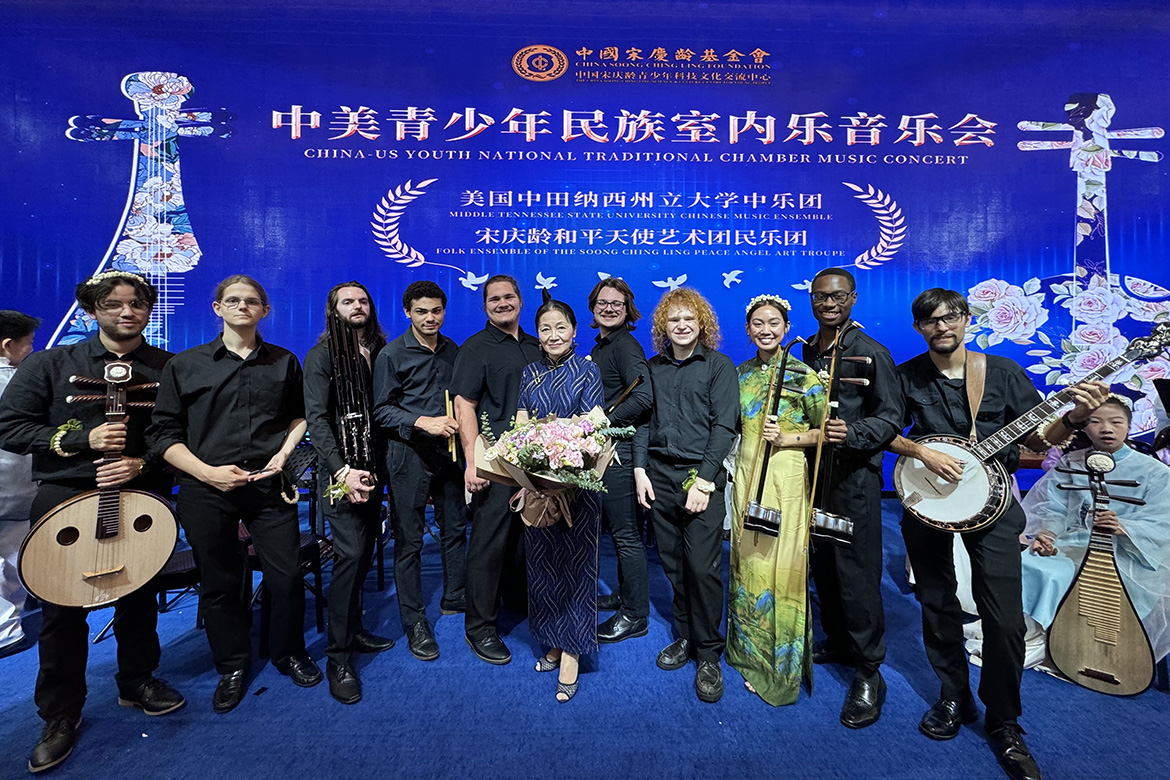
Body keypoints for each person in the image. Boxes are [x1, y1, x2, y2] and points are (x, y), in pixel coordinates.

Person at [890, 287, 1107, 780]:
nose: (942, 327)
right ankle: (953, 696)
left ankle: (1004, 719)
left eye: (950, 318)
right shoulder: (906, 377)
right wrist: (921, 452)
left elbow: (1037, 439)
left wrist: (1073, 416)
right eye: (930, 321)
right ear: (919, 328)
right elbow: (884, 429)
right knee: (937, 602)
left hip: (993, 509)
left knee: (1004, 618)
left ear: (966, 320)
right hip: (928, 506)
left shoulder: (1002, 372)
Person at [0, 273, 185, 773]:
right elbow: (9, 427)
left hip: (141, 495)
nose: (127, 313)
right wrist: (82, 440)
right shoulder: (52, 364)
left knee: (139, 594)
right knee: (62, 608)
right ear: (91, 310)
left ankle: (137, 680)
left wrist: (142, 463)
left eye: (137, 304)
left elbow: (180, 433)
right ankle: (60, 713)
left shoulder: (168, 367)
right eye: (114, 305)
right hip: (67, 497)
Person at [150, 275, 316, 715]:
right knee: (221, 584)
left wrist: (283, 454)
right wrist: (206, 472)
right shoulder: (184, 365)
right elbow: (163, 434)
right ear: (217, 308)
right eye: (234, 300)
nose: (243, 307)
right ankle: (234, 666)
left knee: (286, 577)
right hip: (206, 489)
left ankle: (289, 652)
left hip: (268, 486)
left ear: (265, 310)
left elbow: (299, 418)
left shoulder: (284, 362)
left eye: (253, 301)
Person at [800, 267, 903, 729]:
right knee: (822, 562)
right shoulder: (806, 349)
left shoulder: (871, 352)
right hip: (814, 477)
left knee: (857, 572)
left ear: (853, 299)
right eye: (820, 297)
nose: (828, 304)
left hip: (854, 481)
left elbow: (892, 418)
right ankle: (839, 641)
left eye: (837, 297)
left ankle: (869, 671)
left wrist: (855, 432)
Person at [634, 287, 739, 703]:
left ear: (702, 324)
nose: (681, 325)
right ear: (663, 326)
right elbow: (642, 421)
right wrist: (640, 469)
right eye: (673, 319)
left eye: (689, 319)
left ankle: (709, 653)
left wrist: (705, 481)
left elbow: (723, 427)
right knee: (675, 567)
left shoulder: (718, 367)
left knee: (702, 569)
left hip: (701, 479)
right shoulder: (652, 367)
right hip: (658, 476)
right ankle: (684, 637)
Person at [1020, 395, 1170, 666]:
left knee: (1058, 573)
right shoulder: (1071, 462)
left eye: (1116, 422)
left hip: (1126, 553)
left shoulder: (1156, 472)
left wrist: (1124, 527)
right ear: (1083, 427)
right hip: (1072, 541)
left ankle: (1049, 642)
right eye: (1095, 422)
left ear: (1129, 425)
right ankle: (1025, 631)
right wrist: (1048, 535)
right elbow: (1054, 506)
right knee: (1029, 561)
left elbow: (1163, 521)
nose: (1106, 429)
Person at [728, 295, 826, 706]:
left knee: (780, 567)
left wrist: (789, 438)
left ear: (786, 327)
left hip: (785, 478)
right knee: (746, 559)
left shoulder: (806, 376)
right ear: (748, 330)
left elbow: (827, 433)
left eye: (773, 323)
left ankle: (777, 667)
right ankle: (745, 652)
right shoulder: (739, 374)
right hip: (748, 474)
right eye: (757, 323)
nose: (766, 329)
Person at [303, 281, 395, 705]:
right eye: (347, 301)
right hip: (341, 472)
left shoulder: (380, 351)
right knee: (351, 556)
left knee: (364, 555)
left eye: (363, 299)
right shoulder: (322, 356)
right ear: (333, 309)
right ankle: (338, 658)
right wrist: (342, 470)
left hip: (375, 470)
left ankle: (353, 630)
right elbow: (317, 419)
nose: (357, 306)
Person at [373, 280, 467, 663]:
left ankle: (454, 597)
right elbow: (381, 410)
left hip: (449, 455)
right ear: (407, 312)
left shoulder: (454, 350)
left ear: (444, 311)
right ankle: (415, 621)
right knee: (409, 541)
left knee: (456, 529)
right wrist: (422, 421)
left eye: (436, 311)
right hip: (409, 454)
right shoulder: (392, 354)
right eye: (422, 311)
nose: (430, 318)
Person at [451, 275, 543, 665]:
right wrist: (473, 462)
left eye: (509, 297)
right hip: (496, 464)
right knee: (488, 546)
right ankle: (480, 628)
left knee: (526, 543)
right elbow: (464, 404)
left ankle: (517, 601)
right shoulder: (476, 347)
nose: (502, 303)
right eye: (494, 299)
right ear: (485, 306)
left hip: (537, 465)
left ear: (520, 302)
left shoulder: (539, 345)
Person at [518, 292, 605, 702]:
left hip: (578, 488)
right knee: (542, 566)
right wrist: (522, 456)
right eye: (545, 328)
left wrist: (555, 441)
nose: (553, 335)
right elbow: (521, 423)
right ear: (537, 334)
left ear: (574, 332)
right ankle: (552, 638)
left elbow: (587, 427)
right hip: (537, 487)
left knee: (576, 567)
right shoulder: (529, 373)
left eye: (561, 328)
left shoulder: (588, 372)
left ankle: (572, 651)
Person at [587, 278, 653, 644]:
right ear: (593, 307)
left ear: (628, 309)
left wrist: (605, 422)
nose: (609, 308)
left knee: (627, 536)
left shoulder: (625, 346)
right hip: (606, 453)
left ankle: (635, 615)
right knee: (618, 535)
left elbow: (644, 397)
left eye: (617, 303)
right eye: (602, 302)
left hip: (619, 455)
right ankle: (624, 597)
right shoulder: (603, 346)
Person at [0, 310, 40, 656]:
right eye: (28, 344)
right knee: (11, 561)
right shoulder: (20, 383)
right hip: (12, 490)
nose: (29, 351)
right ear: (8, 345)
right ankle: (7, 632)